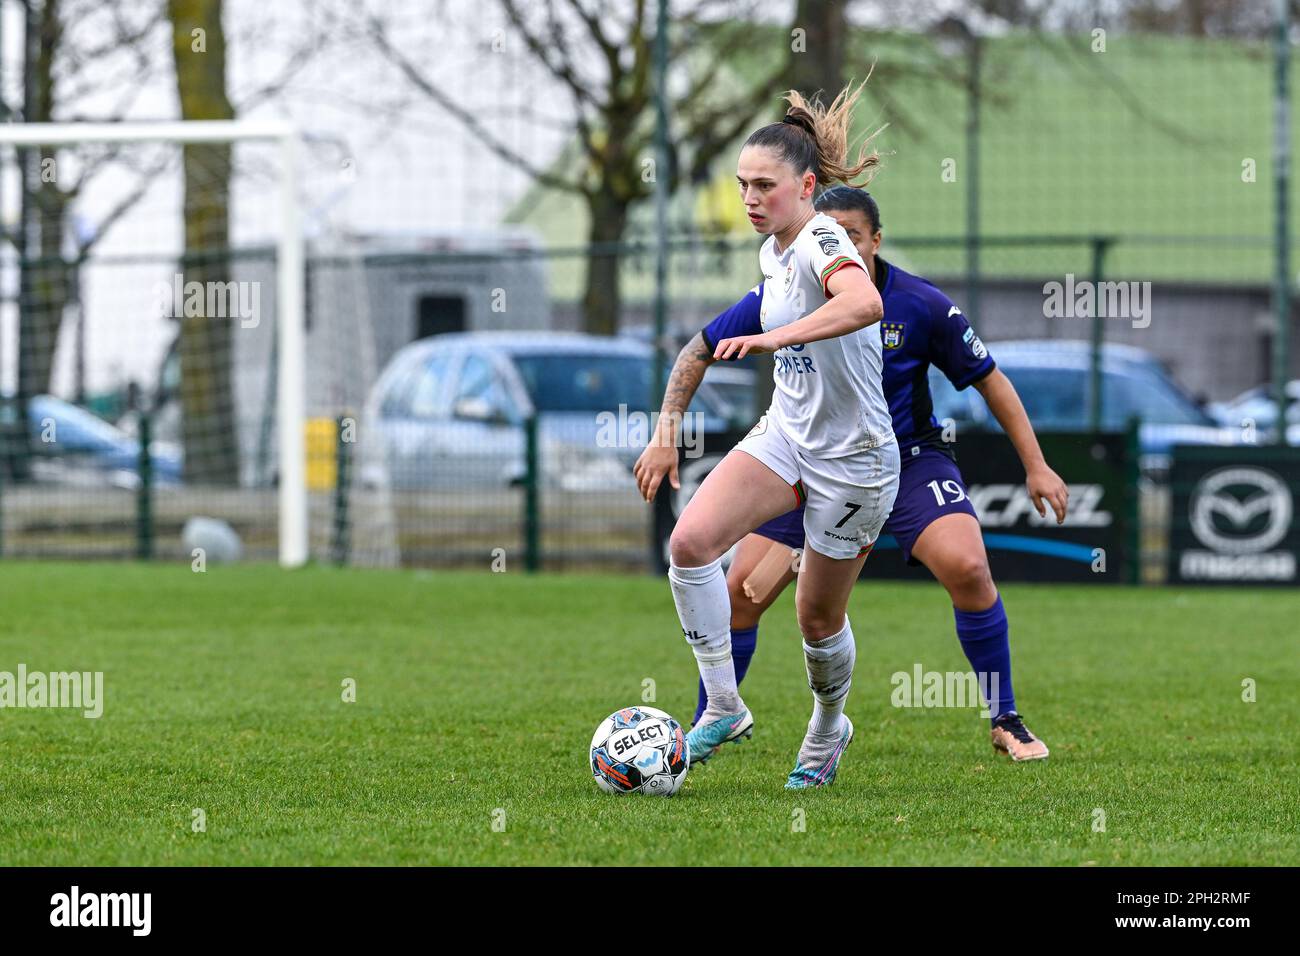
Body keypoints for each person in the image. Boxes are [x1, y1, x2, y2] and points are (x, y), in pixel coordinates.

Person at [655, 186, 1069, 764]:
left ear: (875, 240)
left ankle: (1006, 717)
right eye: (827, 234)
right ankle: (711, 720)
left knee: (969, 567)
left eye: (851, 235)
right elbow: (699, 348)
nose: (836, 245)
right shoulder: (785, 285)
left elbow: (988, 378)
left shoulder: (921, 304)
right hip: (806, 461)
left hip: (905, 461)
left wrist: (1036, 464)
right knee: (743, 595)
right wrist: (664, 432)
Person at [634, 82, 896, 790]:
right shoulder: (774, 254)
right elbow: (695, 348)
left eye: (765, 185)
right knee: (689, 544)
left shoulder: (820, 237)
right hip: (787, 434)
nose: (750, 198)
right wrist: (665, 434)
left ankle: (826, 727)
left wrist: (775, 336)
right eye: (743, 184)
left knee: (816, 618)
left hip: (855, 458)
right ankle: (724, 704)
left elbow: (864, 302)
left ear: (806, 186)